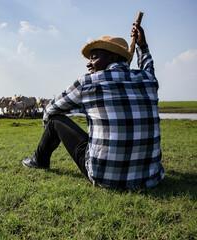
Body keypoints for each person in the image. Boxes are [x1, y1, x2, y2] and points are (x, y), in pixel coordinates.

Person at [22, 23, 164, 188]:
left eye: (94, 57)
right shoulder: (148, 79)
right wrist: (142, 46)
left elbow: (50, 109)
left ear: (112, 58)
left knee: (55, 120)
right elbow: (148, 67)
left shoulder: (88, 82)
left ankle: (40, 160)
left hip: (104, 175)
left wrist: (47, 128)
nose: (89, 63)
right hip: (151, 176)